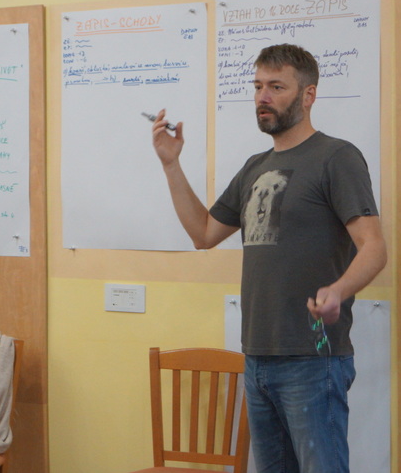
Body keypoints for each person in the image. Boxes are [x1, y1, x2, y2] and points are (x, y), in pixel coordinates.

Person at [151, 43, 387, 473]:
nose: (263, 97)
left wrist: (338, 290)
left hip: (313, 358)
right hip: (257, 356)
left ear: (308, 95)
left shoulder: (337, 157)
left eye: (277, 87)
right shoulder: (255, 167)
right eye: (258, 86)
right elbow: (203, 233)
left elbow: (373, 247)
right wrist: (171, 165)